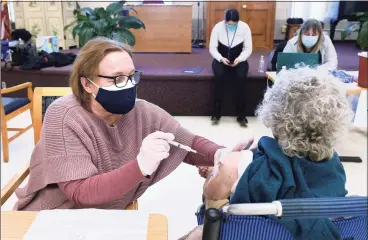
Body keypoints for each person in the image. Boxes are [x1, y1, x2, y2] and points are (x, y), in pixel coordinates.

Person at [13, 37, 250, 211]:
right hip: (56, 216)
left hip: (110, 213)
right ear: (87, 85)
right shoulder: (64, 116)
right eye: (117, 78)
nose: (128, 85)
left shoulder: (140, 111)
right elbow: (79, 193)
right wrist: (140, 166)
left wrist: (219, 153)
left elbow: (185, 140)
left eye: (132, 76)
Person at [185, 67, 353, 240]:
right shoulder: (335, 169)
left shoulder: (238, 166)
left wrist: (216, 171)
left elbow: (210, 211)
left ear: (276, 116)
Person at [209, 8, 252, 126]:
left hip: (239, 59)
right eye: (229, 25)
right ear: (225, 21)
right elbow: (212, 48)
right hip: (221, 58)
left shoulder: (245, 27)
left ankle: (241, 115)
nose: (232, 27)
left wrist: (240, 59)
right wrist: (220, 58)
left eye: (234, 25)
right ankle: (216, 113)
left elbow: (248, 49)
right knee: (219, 75)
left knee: (241, 77)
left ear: (238, 22)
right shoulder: (218, 27)